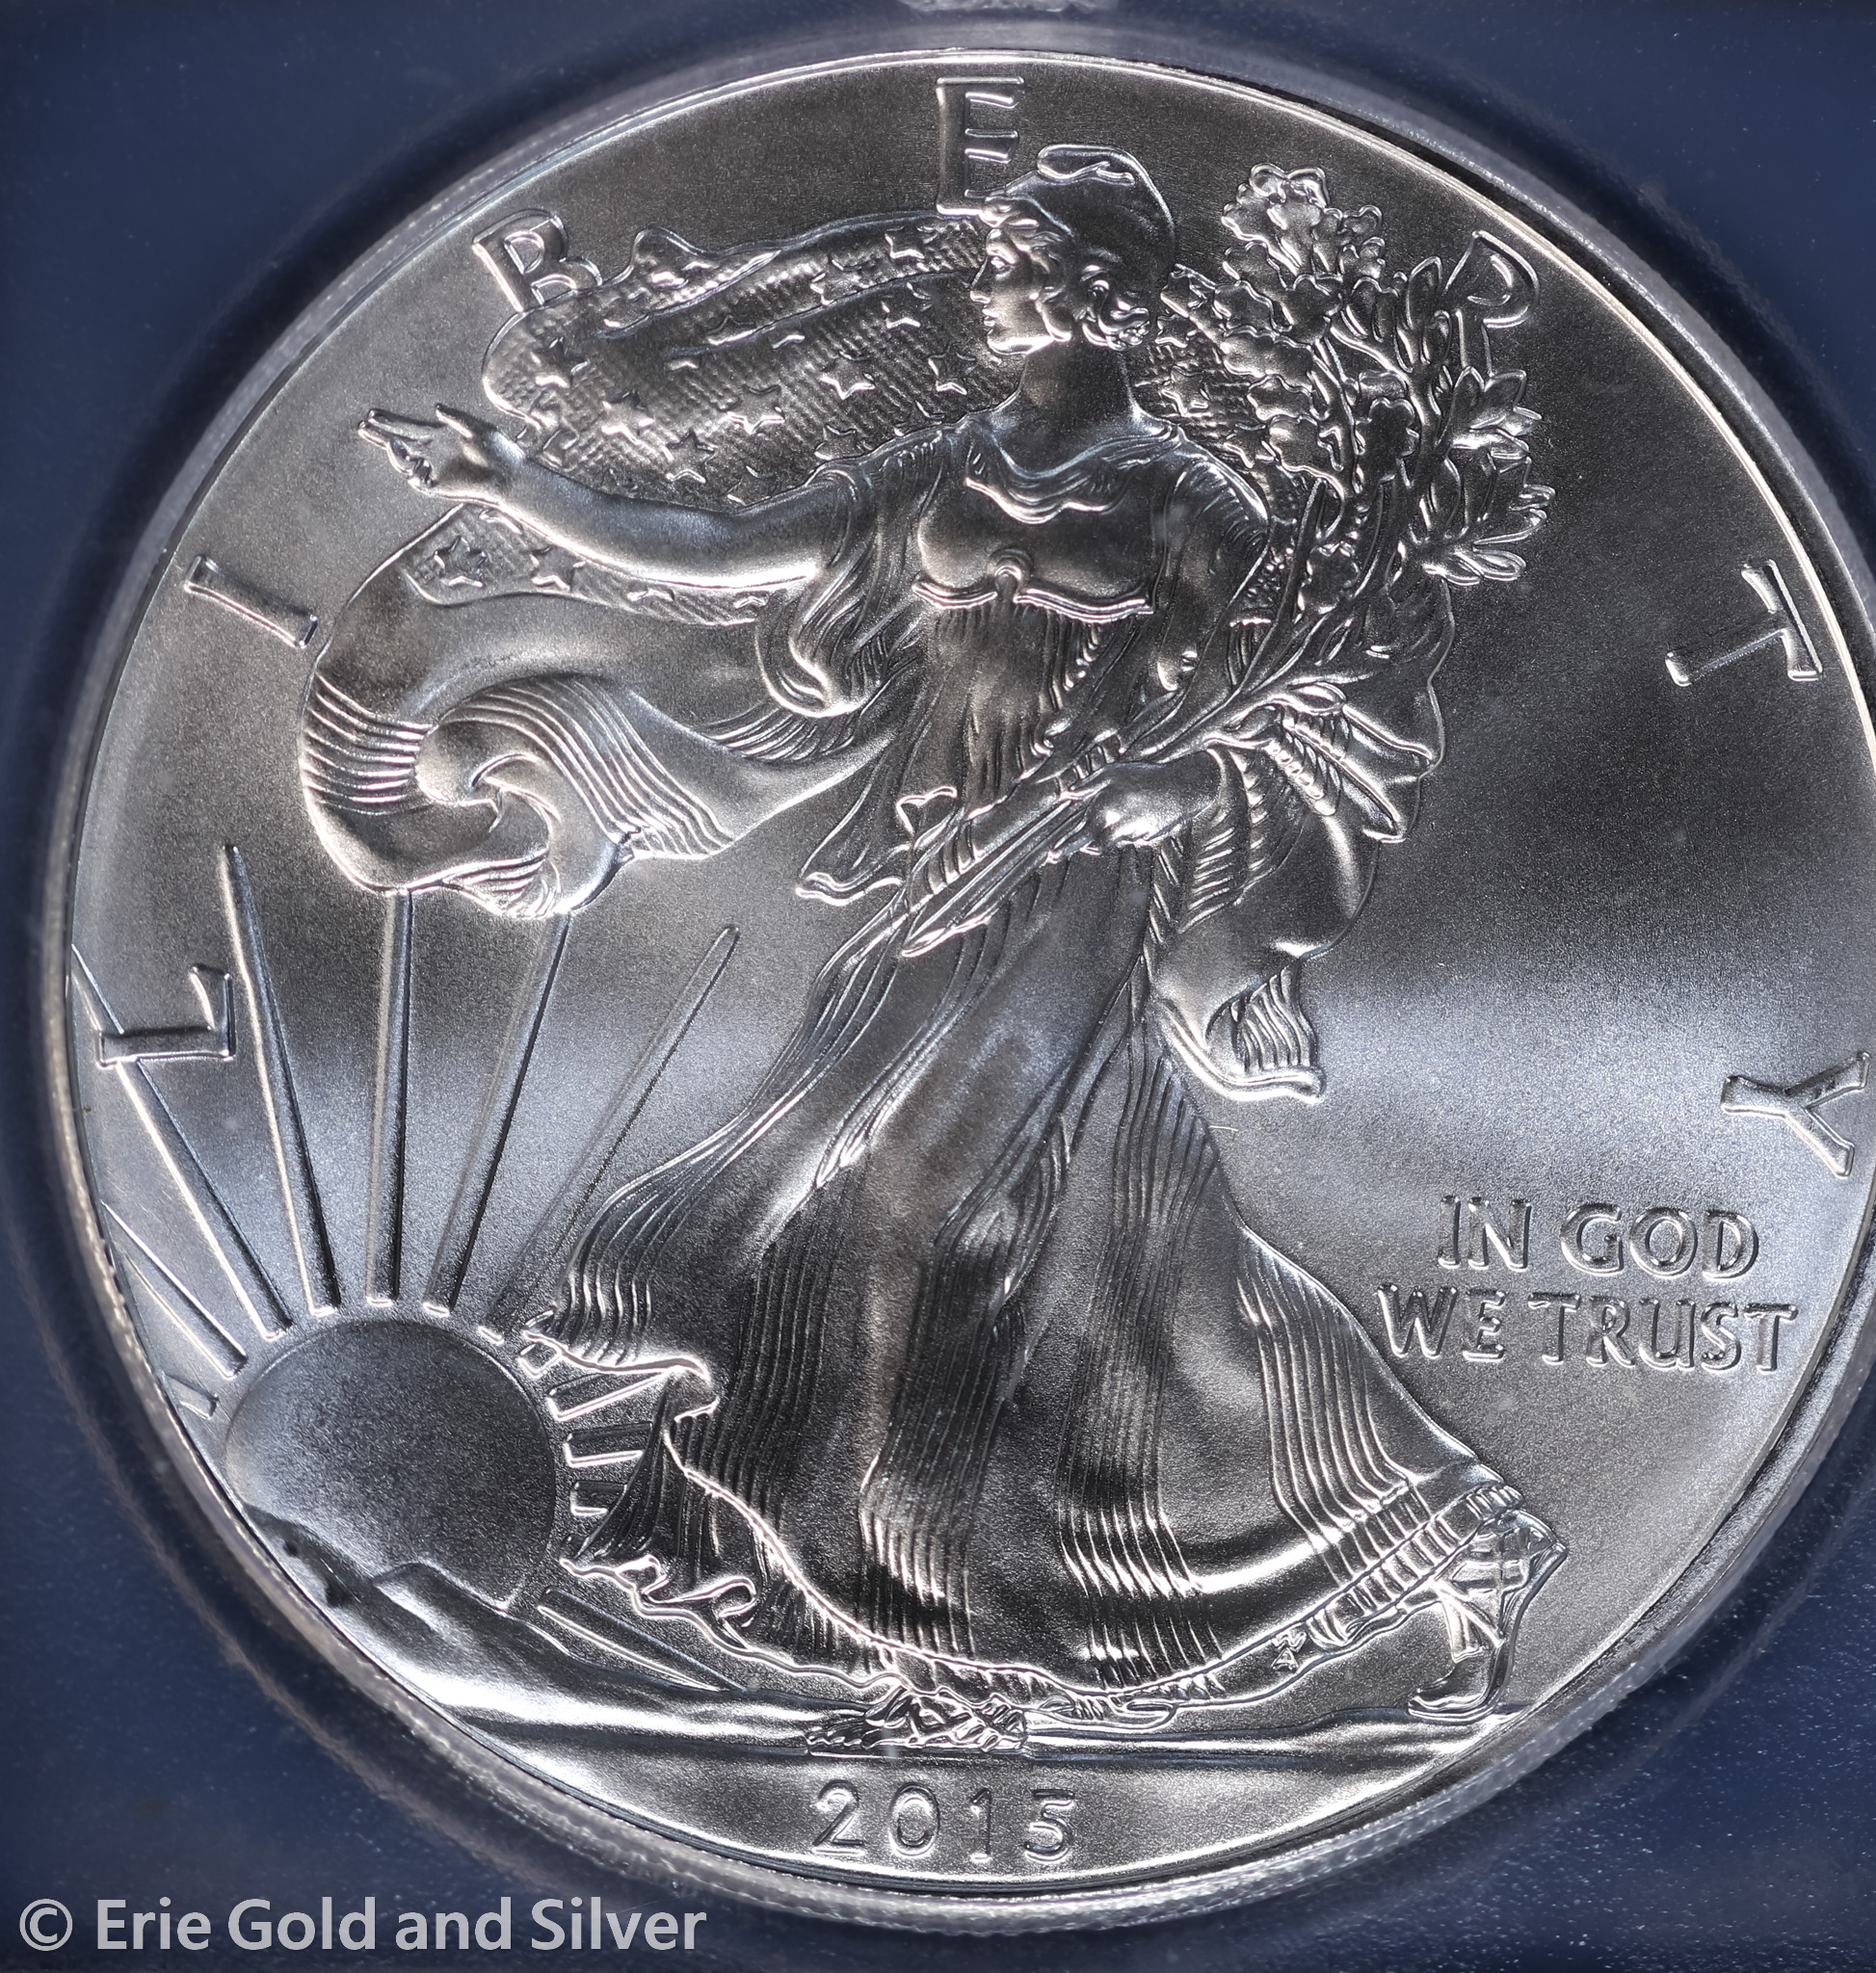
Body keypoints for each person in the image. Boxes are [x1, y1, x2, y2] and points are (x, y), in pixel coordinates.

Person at [330, 146, 1560, 1750]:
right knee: (1048, 1248)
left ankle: (937, 1614)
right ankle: (1360, 1547)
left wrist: (1173, 783)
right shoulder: (943, 470)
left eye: (1018, 262)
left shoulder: (1189, 504)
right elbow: (726, 544)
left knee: (908, 1199)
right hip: (939, 880)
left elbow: (1306, 719)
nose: (991, 286)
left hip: (1079, 895)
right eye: (997, 262)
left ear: (1101, 292)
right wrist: (518, 487)